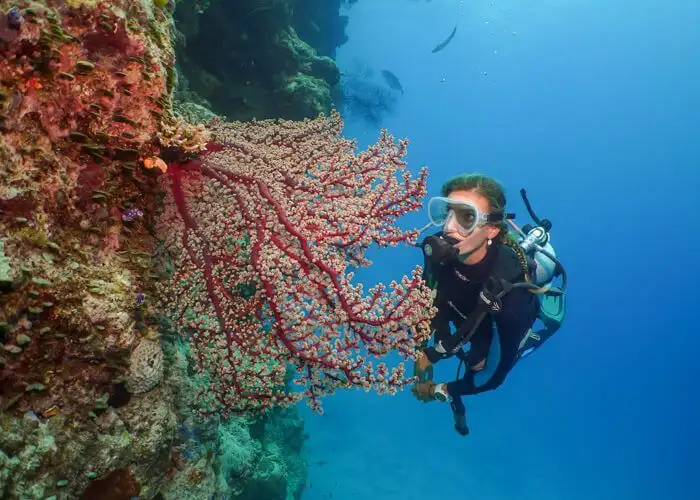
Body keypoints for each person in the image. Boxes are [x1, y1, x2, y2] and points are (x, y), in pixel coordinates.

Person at [410, 173, 566, 436]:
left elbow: (491, 380)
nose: (448, 227)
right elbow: (431, 299)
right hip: (462, 317)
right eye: (447, 212)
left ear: (492, 229)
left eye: (466, 217)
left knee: (479, 364)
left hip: (495, 325)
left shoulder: (511, 298)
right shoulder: (440, 251)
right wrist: (427, 349)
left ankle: (538, 334)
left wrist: (442, 390)